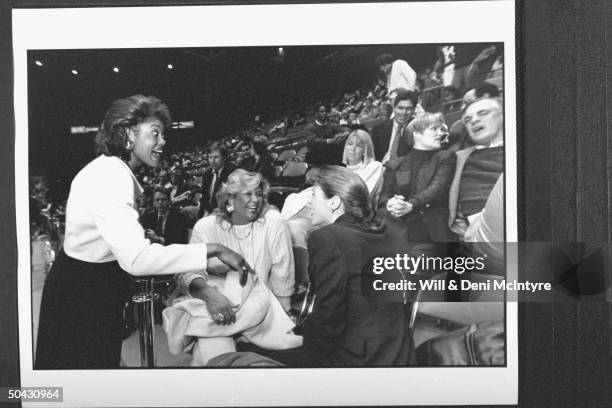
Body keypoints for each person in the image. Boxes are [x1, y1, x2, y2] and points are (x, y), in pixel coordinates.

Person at [35, 95, 253, 369]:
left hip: (89, 286)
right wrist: (215, 248)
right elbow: (137, 260)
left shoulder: (110, 170)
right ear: (127, 135)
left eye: (163, 134)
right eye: (154, 134)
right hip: (82, 298)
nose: (163, 141)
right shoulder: (111, 177)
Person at [263, 166, 415, 366]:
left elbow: (330, 316)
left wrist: (305, 347)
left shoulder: (326, 239)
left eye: (314, 195)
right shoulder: (387, 226)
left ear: (334, 203)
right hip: (398, 352)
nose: (308, 202)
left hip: (359, 360)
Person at [178, 169, 295, 313]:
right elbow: (185, 273)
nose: (255, 200)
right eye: (248, 194)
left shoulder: (273, 221)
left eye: (259, 194)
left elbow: (283, 272)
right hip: (214, 306)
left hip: (261, 308)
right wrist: (208, 293)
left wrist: (283, 313)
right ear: (230, 198)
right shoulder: (205, 227)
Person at [378, 112, 456, 255]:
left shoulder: (446, 157)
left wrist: (410, 205)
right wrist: (391, 203)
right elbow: (383, 198)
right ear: (416, 134)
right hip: (398, 231)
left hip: (432, 233)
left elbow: (436, 189)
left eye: (442, 129)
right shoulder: (395, 164)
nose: (441, 133)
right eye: (434, 129)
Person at [449, 97, 504, 240]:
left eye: (483, 113)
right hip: (482, 237)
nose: (473, 120)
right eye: (467, 119)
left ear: (504, 114)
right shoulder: (458, 159)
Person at [370, 88, 418, 163]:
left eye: (408, 109)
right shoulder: (378, 129)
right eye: (400, 108)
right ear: (394, 108)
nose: (404, 113)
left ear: (414, 110)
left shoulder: (418, 129)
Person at [342, 129, 383, 196]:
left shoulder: (373, 167)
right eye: (350, 144)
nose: (353, 149)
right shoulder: (342, 171)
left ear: (365, 151)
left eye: (359, 146)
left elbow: (364, 197)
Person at [198, 146, 236, 218]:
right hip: (209, 211)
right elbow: (204, 197)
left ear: (224, 158)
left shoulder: (232, 172)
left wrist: (227, 212)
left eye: (216, 157)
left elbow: (233, 199)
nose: (212, 161)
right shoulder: (207, 174)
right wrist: (203, 214)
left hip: (224, 212)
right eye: (210, 157)